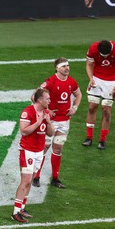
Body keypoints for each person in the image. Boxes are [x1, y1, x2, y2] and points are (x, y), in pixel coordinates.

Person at [32, 58, 82, 189]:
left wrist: (74, 108)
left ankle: (55, 178)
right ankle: (36, 176)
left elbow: (79, 95)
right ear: (57, 68)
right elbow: (34, 97)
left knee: (58, 148)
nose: (67, 68)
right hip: (50, 122)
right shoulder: (50, 82)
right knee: (45, 147)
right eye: (64, 66)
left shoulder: (71, 81)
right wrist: (46, 110)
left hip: (64, 122)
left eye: (68, 65)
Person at [11, 88, 54, 223]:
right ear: (40, 100)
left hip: (39, 151)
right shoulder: (27, 112)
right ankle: (15, 212)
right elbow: (24, 132)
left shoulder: (46, 113)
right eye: (47, 99)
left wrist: (48, 122)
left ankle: (22, 207)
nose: (49, 101)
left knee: (31, 179)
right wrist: (38, 121)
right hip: (27, 150)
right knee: (26, 180)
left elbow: (51, 133)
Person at [82, 40, 115, 150]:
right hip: (97, 79)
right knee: (92, 107)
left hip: (112, 81)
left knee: (106, 110)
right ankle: (89, 137)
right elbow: (89, 64)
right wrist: (91, 78)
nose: (103, 57)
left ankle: (102, 140)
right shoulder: (93, 48)